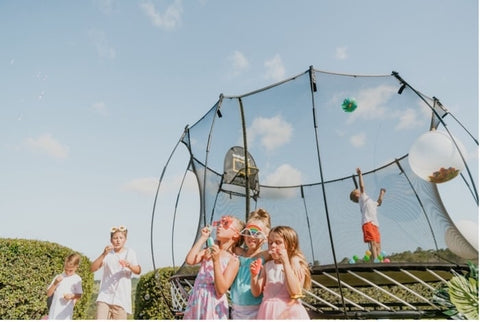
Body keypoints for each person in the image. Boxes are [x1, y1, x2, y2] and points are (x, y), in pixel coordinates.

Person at [183, 215, 245, 319]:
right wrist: (203, 238)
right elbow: (190, 260)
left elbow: (221, 290)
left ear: (236, 234)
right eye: (220, 223)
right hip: (197, 300)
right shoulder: (210, 249)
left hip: (213, 304)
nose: (220, 226)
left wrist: (216, 261)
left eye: (226, 224)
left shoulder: (233, 260)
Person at [251, 226, 311, 320]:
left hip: (289, 313)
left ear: (291, 246)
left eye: (278, 242)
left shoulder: (297, 266)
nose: (273, 246)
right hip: (267, 313)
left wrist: (286, 263)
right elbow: (256, 293)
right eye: (270, 243)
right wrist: (254, 276)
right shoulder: (267, 266)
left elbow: (295, 293)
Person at [90, 225, 141, 320]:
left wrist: (129, 265)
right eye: (115, 238)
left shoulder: (130, 253)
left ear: (125, 239)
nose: (118, 240)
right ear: (111, 240)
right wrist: (103, 254)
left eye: (121, 238)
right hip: (104, 297)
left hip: (121, 299)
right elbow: (92, 268)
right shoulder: (108, 254)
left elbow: (138, 270)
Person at [231, 208, 272, 319]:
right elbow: (224, 245)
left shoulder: (265, 255)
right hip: (235, 307)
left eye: (257, 233)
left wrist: (267, 237)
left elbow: (282, 250)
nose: (252, 237)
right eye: (248, 232)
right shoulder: (239, 252)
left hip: (256, 308)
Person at [350, 167, 386, 262]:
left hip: (375, 224)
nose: (359, 191)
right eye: (357, 191)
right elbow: (362, 186)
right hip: (367, 222)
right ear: (357, 195)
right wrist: (360, 174)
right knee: (373, 243)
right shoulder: (362, 198)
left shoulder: (368, 200)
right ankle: (375, 260)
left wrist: (381, 193)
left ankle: (380, 261)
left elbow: (379, 202)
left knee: (378, 245)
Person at [46, 253, 83, 320]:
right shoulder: (58, 277)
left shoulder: (77, 279)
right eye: (66, 269)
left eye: (71, 270)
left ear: (76, 267)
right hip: (54, 313)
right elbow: (48, 294)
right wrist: (55, 283)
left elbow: (79, 295)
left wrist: (72, 296)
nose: (68, 272)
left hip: (66, 314)